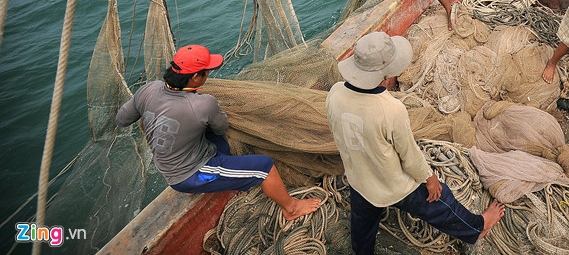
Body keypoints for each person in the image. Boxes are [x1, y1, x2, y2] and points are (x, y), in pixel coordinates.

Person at [326, 32, 505, 255]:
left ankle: (362, 251)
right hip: (394, 186)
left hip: (359, 181)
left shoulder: (334, 93)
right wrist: (430, 179)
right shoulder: (391, 109)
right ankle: (476, 227)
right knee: (441, 199)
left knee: (362, 224)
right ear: (386, 74)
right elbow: (410, 156)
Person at [115, 45, 321, 220]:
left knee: (218, 142)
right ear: (195, 77)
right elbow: (221, 127)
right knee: (264, 167)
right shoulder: (203, 103)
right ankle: (291, 208)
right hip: (189, 175)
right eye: (207, 71)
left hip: (167, 163)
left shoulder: (149, 89)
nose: (209, 74)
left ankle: (233, 175)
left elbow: (122, 119)